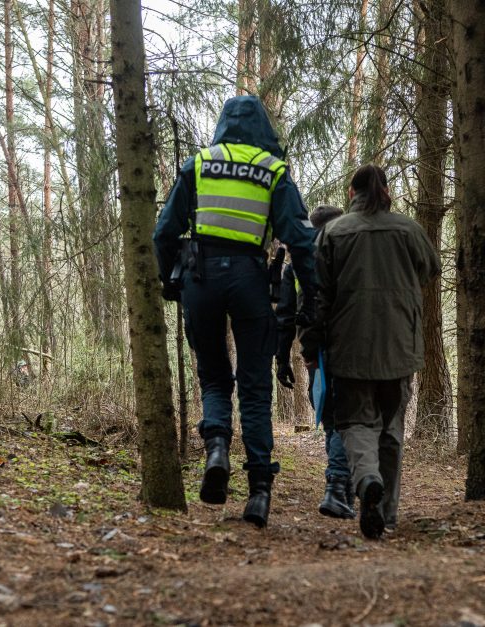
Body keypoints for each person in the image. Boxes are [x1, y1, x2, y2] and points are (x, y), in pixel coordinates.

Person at [153, 95, 318, 528]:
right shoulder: (273, 171)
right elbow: (301, 241)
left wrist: (170, 281)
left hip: (200, 278)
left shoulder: (199, 164)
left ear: (222, 124)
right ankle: (260, 494)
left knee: (212, 375)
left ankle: (218, 450)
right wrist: (313, 293)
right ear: (263, 126)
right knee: (255, 389)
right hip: (249, 278)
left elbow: (164, 232)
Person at [301, 164, 441, 539]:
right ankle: (387, 514)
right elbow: (431, 268)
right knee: (391, 430)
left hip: (348, 348)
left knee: (355, 423)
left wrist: (309, 345)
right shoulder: (409, 230)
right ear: (385, 191)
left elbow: (316, 296)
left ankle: (366, 480)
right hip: (400, 347)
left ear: (351, 193)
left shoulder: (333, 232)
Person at [274, 204, 355, 520]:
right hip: (343, 348)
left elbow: (285, 315)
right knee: (343, 419)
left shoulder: (298, 263)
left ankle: (342, 487)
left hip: (316, 353)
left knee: (334, 417)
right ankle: (338, 487)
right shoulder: (347, 254)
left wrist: (282, 358)